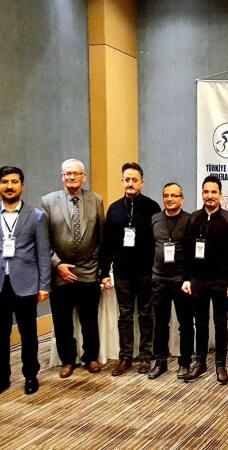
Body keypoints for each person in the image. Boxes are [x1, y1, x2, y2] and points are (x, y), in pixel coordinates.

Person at [0, 166, 51, 400]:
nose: (9, 186)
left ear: (22, 186)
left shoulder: (37, 216)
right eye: (5, 182)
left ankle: (30, 375)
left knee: (29, 334)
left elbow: (43, 254)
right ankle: (1, 378)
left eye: (14, 182)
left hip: (26, 284)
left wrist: (44, 285)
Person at [40, 159, 104, 378]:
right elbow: (44, 240)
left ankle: (91, 357)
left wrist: (97, 265)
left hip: (88, 270)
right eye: (67, 174)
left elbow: (101, 236)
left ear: (83, 177)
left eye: (76, 173)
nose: (72, 177)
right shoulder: (48, 202)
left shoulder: (96, 200)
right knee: (62, 321)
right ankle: (67, 360)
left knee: (89, 319)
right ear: (62, 177)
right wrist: (58, 265)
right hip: (60, 272)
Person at [99, 162, 161, 376]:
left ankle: (145, 356)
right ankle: (125, 357)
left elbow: (158, 242)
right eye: (127, 180)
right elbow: (106, 243)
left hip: (146, 272)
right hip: (122, 272)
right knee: (125, 316)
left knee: (146, 314)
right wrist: (104, 272)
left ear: (142, 183)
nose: (130, 183)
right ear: (122, 182)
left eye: (135, 180)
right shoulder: (114, 208)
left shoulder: (152, 207)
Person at [181, 175, 228, 385]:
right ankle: (200, 362)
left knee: (220, 322)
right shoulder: (193, 219)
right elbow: (187, 251)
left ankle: (220, 364)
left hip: (221, 281)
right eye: (206, 192)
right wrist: (187, 278)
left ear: (220, 195)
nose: (210, 196)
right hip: (198, 280)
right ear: (202, 194)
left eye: (214, 192)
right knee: (200, 323)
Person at [149, 182, 193, 380]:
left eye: (174, 195)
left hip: (181, 280)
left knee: (185, 324)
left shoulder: (190, 220)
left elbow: (193, 253)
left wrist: (189, 278)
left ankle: (185, 362)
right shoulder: (155, 219)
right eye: (166, 195)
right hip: (159, 279)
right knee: (160, 323)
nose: (169, 199)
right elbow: (150, 248)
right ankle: (160, 361)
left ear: (182, 199)